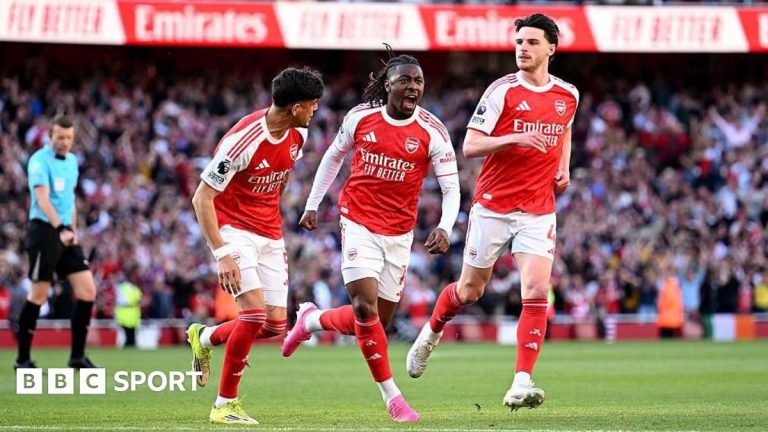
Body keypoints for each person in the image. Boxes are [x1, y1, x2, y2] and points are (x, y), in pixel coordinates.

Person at [405, 13, 579, 411]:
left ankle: (521, 381)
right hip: (494, 206)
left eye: (532, 42)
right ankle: (430, 333)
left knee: (536, 291)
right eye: (519, 42)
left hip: (538, 209)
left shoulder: (568, 94)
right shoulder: (502, 91)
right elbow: (470, 146)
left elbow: (565, 127)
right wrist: (515, 137)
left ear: (551, 48)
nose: (523, 49)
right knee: (470, 291)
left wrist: (564, 165)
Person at [281, 47, 460, 422]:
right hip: (358, 222)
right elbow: (333, 157)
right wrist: (313, 203)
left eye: (418, 81)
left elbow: (451, 187)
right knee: (364, 308)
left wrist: (445, 226)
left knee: (375, 322)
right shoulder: (361, 117)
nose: (413, 87)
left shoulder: (433, 131)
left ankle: (311, 320)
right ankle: (393, 398)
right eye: (405, 80)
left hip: (399, 233)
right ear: (387, 85)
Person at [185, 67, 324, 425]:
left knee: (275, 325)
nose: (316, 110)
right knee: (253, 316)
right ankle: (224, 405)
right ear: (295, 107)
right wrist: (222, 254)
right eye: (312, 104)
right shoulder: (241, 142)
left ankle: (205, 337)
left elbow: (278, 179)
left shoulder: (299, 134)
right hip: (233, 231)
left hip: (269, 233)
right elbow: (202, 198)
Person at [16, 114, 98, 370]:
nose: (65, 142)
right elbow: (42, 199)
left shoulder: (72, 161)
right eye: (60, 137)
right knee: (38, 295)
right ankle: (22, 359)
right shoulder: (39, 161)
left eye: (69, 138)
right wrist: (61, 227)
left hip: (66, 233)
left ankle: (77, 357)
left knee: (87, 291)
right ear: (49, 136)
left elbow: (69, 201)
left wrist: (72, 229)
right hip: (44, 231)